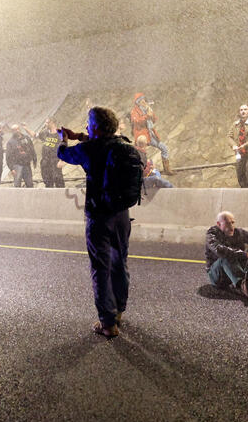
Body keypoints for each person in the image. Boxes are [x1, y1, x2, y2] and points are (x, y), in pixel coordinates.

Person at [57, 106, 142, 338]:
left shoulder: (88, 150)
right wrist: (80, 136)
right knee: (119, 263)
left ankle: (107, 322)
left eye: (88, 123)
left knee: (100, 268)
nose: (85, 126)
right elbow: (102, 144)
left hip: (99, 216)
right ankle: (119, 311)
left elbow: (64, 155)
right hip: (122, 215)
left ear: (95, 126)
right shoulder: (124, 143)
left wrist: (64, 140)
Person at [204, 211, 248, 298]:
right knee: (226, 256)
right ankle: (242, 284)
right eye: (227, 223)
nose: (231, 226)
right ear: (218, 224)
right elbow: (220, 250)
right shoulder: (212, 234)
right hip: (218, 276)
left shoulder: (239, 232)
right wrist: (247, 255)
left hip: (235, 268)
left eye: (232, 222)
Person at [129, 93, 171, 174]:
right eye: (141, 100)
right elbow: (137, 122)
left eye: (144, 99)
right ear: (138, 102)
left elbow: (154, 119)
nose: (143, 101)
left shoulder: (147, 108)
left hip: (151, 134)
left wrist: (149, 110)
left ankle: (167, 170)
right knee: (140, 155)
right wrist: (146, 116)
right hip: (142, 136)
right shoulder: (134, 111)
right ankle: (141, 172)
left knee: (164, 148)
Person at [37, 118, 65, 188]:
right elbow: (35, 135)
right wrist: (26, 128)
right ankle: (49, 195)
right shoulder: (45, 133)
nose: (45, 124)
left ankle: (61, 194)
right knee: (47, 180)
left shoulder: (60, 134)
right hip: (46, 161)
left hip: (55, 160)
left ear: (51, 122)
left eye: (46, 123)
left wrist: (62, 160)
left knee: (58, 178)